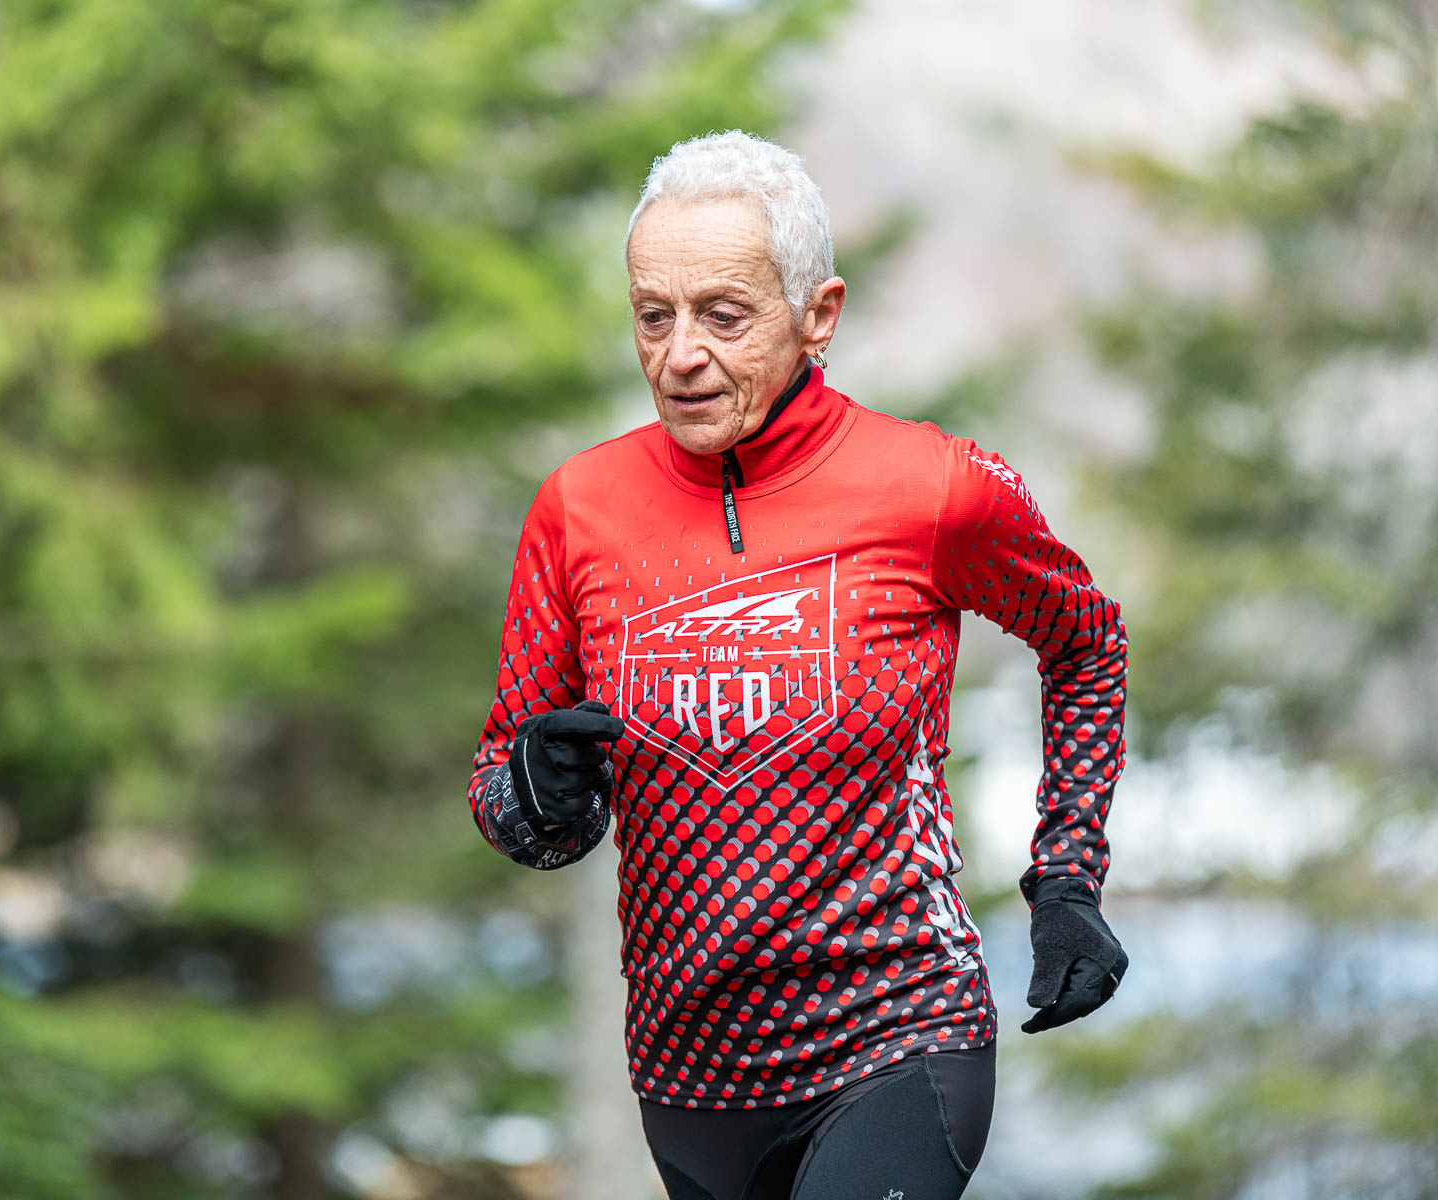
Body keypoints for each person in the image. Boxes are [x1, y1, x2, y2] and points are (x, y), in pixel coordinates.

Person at [465, 130, 1129, 1200]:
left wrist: (1066, 879)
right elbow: (515, 808)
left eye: (724, 316)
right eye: (653, 314)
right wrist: (539, 793)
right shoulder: (579, 509)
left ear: (818, 314)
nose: (680, 353)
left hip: (896, 1035)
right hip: (689, 1074)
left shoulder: (934, 489)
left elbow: (1086, 643)